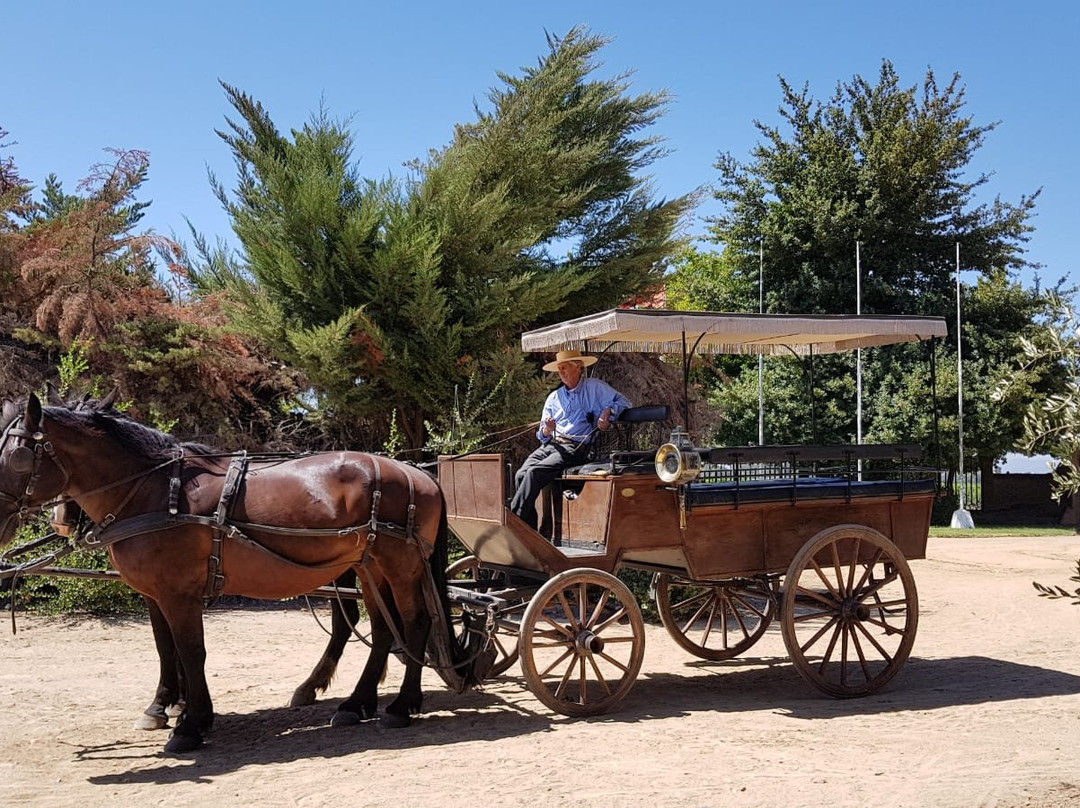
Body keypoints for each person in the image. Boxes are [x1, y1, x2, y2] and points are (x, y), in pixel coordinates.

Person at [509, 349, 631, 530]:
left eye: (564, 368)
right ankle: (529, 531)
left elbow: (624, 402)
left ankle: (514, 522)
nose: (561, 373)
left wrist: (609, 412)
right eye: (559, 369)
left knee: (534, 472)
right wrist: (547, 430)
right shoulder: (554, 397)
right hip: (552, 445)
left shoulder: (594, 387)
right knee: (520, 474)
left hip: (576, 447)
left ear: (578, 367)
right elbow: (542, 436)